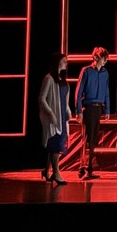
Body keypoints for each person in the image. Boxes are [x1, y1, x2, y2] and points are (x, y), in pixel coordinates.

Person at [75, 47, 110, 179]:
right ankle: (82, 168)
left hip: (98, 108)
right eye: (103, 58)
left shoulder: (105, 73)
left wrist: (107, 110)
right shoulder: (86, 71)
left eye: (106, 58)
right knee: (86, 139)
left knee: (94, 140)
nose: (105, 60)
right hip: (88, 108)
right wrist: (78, 111)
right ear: (96, 58)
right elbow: (78, 92)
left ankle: (90, 168)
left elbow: (106, 91)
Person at [39, 53, 71, 185]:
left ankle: (47, 170)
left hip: (62, 118)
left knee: (55, 146)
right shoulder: (49, 78)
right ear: (57, 62)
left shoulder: (64, 81)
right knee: (54, 145)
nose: (66, 63)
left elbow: (65, 101)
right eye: (64, 61)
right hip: (53, 118)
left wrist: (68, 112)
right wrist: (51, 114)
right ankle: (56, 173)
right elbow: (41, 98)